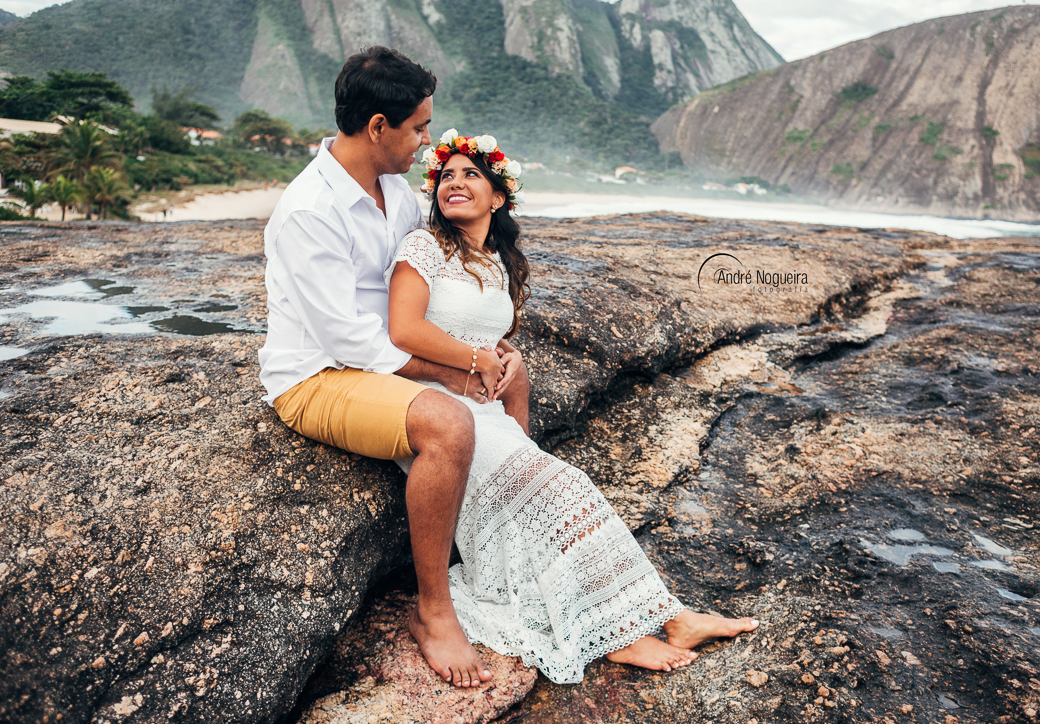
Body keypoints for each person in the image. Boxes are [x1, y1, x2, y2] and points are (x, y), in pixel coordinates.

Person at [385, 129, 759, 685]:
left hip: (486, 415)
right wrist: (477, 362)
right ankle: (634, 632)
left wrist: (508, 365)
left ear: (497, 197)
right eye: (446, 175)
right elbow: (402, 331)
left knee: (566, 488)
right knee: (564, 488)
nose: (454, 183)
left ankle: (666, 621)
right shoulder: (424, 247)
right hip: (432, 406)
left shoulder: (496, 263)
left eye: (471, 175)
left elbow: (495, 343)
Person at [258, 46, 520, 689]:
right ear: (378, 126)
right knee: (450, 423)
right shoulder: (309, 210)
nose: (426, 142)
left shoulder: (395, 192)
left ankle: (513, 545)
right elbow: (345, 336)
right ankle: (433, 610)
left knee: (513, 381)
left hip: (379, 362)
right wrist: (451, 371)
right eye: (419, 128)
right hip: (318, 377)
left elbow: (431, 275)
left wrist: (489, 343)